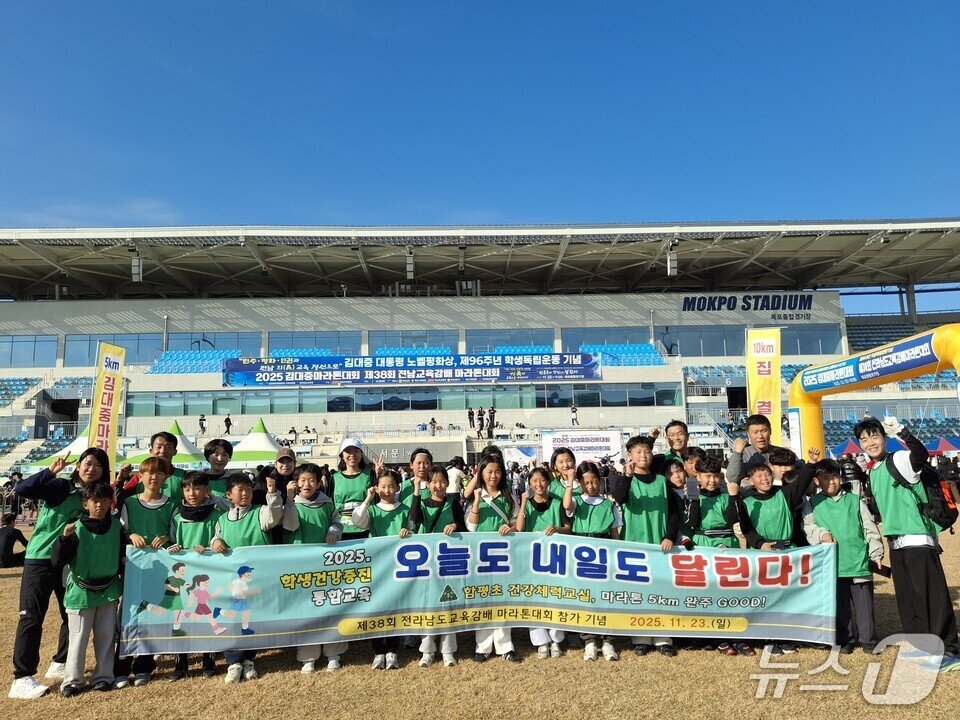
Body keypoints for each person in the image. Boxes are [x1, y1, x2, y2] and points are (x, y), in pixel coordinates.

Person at [854, 416, 960, 662]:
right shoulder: (873, 471)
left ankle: (949, 650)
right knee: (909, 599)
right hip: (896, 542)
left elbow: (920, 455)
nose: (870, 442)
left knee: (931, 596)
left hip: (917, 539)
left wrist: (902, 432)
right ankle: (924, 645)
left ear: (884, 437)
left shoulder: (898, 460)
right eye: (864, 439)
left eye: (874, 436)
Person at [9, 448, 110, 700]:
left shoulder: (95, 497)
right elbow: (22, 490)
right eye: (88, 463)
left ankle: (60, 662)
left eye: (98, 465)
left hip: (69, 564)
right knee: (32, 616)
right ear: (79, 465)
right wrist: (49, 472)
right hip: (41, 560)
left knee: (71, 614)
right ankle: (22, 677)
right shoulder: (62, 486)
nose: (92, 469)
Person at [608, 435, 682, 657]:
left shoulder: (661, 480)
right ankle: (640, 638)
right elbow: (619, 498)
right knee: (638, 593)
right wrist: (627, 476)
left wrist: (669, 536)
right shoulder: (623, 479)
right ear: (629, 455)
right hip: (634, 545)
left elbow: (675, 512)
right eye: (638, 452)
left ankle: (663, 638)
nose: (644, 456)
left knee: (662, 591)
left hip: (661, 545)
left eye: (647, 451)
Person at [51, 480, 125, 698]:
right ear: (85, 504)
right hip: (81, 591)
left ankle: (103, 677)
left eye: (104, 500)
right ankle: (72, 681)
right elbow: (57, 561)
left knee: (106, 637)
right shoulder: (75, 528)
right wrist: (64, 539)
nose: (99, 505)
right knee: (78, 639)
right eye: (94, 500)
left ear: (110, 503)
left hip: (108, 590)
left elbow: (122, 555)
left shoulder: (117, 527)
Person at [739, 451, 818, 655]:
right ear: (750, 480)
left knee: (787, 597)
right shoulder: (746, 501)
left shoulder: (784, 494)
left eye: (767, 474)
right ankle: (769, 638)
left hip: (787, 553)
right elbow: (747, 530)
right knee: (766, 598)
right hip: (762, 555)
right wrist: (761, 544)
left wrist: (811, 464)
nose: (764, 479)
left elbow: (801, 482)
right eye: (759, 476)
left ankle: (786, 636)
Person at [802, 459, 883, 654]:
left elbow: (869, 527)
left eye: (835, 477)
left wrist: (876, 552)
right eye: (826, 478)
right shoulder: (812, 503)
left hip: (858, 560)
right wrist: (822, 533)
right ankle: (845, 639)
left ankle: (868, 640)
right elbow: (808, 526)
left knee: (864, 605)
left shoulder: (855, 500)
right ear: (817, 481)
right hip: (832, 564)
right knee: (839, 606)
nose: (831, 482)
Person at [211, 472, 282, 682]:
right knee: (232, 619)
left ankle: (249, 658)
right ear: (228, 495)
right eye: (240, 490)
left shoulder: (260, 512)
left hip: (257, 579)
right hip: (231, 582)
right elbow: (215, 538)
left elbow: (274, 516)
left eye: (249, 489)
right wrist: (215, 542)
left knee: (252, 619)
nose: (245, 493)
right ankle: (233, 662)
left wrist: (273, 494)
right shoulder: (222, 519)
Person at [115, 456, 176, 687]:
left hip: (159, 570)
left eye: (159, 473)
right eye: (149, 473)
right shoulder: (129, 503)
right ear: (140, 477)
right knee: (128, 615)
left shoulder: (171, 505)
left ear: (165, 478)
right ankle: (121, 668)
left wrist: (167, 538)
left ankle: (144, 666)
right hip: (134, 569)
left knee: (151, 614)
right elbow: (119, 531)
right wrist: (130, 535)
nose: (153, 477)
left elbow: (175, 536)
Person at [686, 455, 755, 657]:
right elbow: (692, 522)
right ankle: (716, 637)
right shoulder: (692, 494)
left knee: (731, 591)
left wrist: (733, 497)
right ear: (698, 476)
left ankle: (737, 635)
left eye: (716, 476)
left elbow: (733, 520)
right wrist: (694, 498)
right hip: (703, 544)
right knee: (707, 592)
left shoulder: (726, 495)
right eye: (707, 476)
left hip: (728, 544)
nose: (712, 480)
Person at [282, 463, 345, 673]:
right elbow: (290, 526)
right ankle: (308, 656)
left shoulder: (327, 504)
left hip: (326, 565)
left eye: (311, 480)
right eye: (302, 480)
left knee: (330, 607)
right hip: (301, 566)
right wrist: (289, 500)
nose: (307, 484)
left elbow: (337, 523)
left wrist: (333, 531)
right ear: (296, 483)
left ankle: (333, 653)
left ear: (319, 483)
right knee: (306, 610)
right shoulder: (291, 503)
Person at [167, 470, 225, 679]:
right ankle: (180, 663)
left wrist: (208, 548)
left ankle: (208, 661)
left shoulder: (216, 515)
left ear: (206, 490)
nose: (192, 493)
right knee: (181, 617)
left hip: (206, 577)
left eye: (197, 488)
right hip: (184, 578)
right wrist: (174, 547)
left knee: (205, 616)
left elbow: (219, 541)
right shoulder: (177, 517)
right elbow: (171, 541)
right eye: (187, 489)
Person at [351, 469, 410, 670]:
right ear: (376, 488)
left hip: (398, 567)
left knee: (395, 608)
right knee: (375, 608)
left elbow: (414, 531)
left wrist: (408, 532)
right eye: (383, 486)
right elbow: (357, 521)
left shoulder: (405, 509)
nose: (387, 490)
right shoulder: (373, 510)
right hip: (377, 566)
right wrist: (368, 499)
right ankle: (378, 650)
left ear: (398, 488)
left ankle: (392, 650)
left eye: (391, 486)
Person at [407, 466, 466, 667]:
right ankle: (427, 651)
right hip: (428, 562)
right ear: (428, 484)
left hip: (448, 561)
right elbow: (413, 520)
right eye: (434, 482)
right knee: (427, 606)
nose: (438, 485)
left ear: (447, 483)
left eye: (442, 481)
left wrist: (455, 525)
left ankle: (448, 650)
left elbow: (464, 527)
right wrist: (416, 490)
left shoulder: (453, 503)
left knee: (448, 605)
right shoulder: (423, 503)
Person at [563, 461, 621, 662]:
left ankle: (608, 640)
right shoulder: (577, 501)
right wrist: (570, 481)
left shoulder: (608, 504)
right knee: (585, 597)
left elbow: (615, 533)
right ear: (580, 482)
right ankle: (589, 640)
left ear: (600, 480)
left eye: (594, 481)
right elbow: (567, 505)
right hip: (582, 552)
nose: (590, 486)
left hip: (604, 550)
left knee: (605, 596)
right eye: (586, 482)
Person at [467, 454, 520, 663]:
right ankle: (482, 646)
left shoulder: (508, 497)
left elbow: (517, 523)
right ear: (481, 473)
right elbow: (471, 527)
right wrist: (477, 501)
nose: (493, 476)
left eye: (497, 471)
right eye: (489, 471)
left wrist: (511, 528)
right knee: (483, 599)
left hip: (503, 555)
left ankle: (505, 646)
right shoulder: (475, 495)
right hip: (481, 556)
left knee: (502, 598)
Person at [517, 466, 568, 659]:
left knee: (555, 596)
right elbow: (520, 528)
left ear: (548, 482)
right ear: (529, 483)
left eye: (542, 480)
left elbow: (568, 528)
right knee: (534, 597)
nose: (538, 484)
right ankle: (540, 642)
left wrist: (556, 528)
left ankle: (556, 639)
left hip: (555, 558)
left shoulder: (557, 503)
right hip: (532, 559)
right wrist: (523, 503)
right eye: (534, 481)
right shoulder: (527, 504)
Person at [118, 431, 185, 505]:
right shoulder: (140, 477)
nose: (163, 451)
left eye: (168, 447)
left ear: (175, 452)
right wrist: (119, 480)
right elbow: (118, 501)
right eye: (159, 447)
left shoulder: (183, 476)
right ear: (151, 450)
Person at [333, 438, 380, 540]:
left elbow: (378, 500)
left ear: (361, 454)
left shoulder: (370, 474)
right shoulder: (334, 478)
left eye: (356, 451)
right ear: (342, 455)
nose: (352, 455)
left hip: (365, 528)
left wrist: (380, 475)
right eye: (348, 452)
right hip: (342, 531)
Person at [726, 414, 795, 482]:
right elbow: (732, 479)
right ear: (748, 434)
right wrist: (737, 453)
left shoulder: (783, 453)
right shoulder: (743, 455)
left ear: (770, 431)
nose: (760, 436)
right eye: (755, 432)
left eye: (764, 431)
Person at [201, 438, 234, 503]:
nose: (220, 459)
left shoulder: (234, 479)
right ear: (208, 457)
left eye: (224, 454)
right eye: (216, 454)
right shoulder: (199, 478)